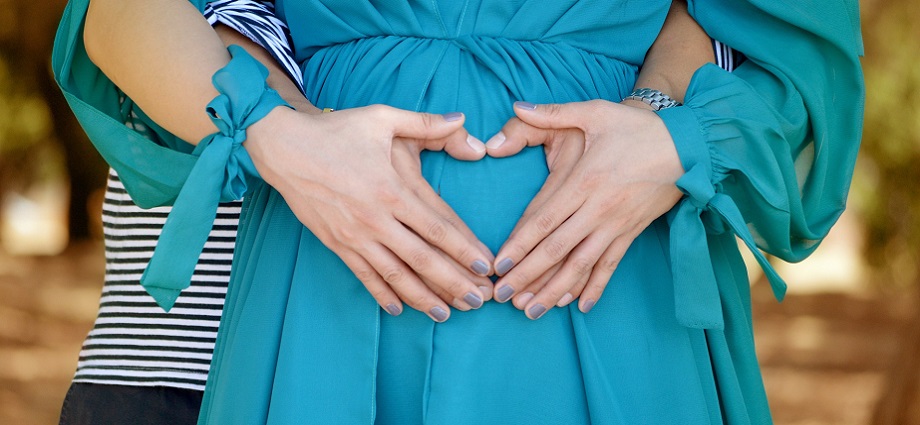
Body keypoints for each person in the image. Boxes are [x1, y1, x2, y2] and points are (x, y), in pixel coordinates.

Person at [53, 0, 864, 424]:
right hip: (302, 297)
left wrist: (664, 131)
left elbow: (771, 28)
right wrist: (280, 136)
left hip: (611, 283)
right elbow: (129, 11)